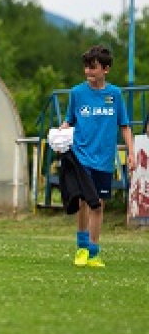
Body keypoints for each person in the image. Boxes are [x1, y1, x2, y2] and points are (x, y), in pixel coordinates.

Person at [60, 44, 135, 269]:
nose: (88, 72)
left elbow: (125, 126)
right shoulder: (77, 93)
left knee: (98, 205)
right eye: (86, 68)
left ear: (106, 69)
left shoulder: (114, 95)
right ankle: (82, 248)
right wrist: (60, 133)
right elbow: (69, 120)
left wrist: (131, 153)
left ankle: (94, 252)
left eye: (93, 68)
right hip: (81, 158)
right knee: (84, 201)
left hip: (104, 160)